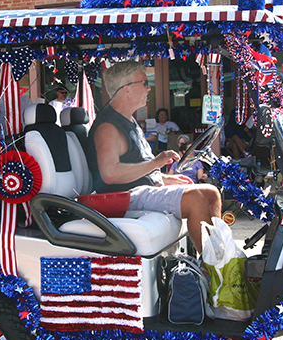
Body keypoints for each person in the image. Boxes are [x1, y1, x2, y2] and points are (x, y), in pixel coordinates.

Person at [91, 61, 221, 254]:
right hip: (125, 197)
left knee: (211, 193)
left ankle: (216, 261)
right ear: (126, 89)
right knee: (195, 198)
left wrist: (164, 177)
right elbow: (110, 174)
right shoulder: (107, 127)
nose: (149, 87)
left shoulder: (128, 120)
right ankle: (212, 270)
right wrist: (157, 162)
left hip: (140, 190)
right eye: (144, 82)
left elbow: (134, 165)